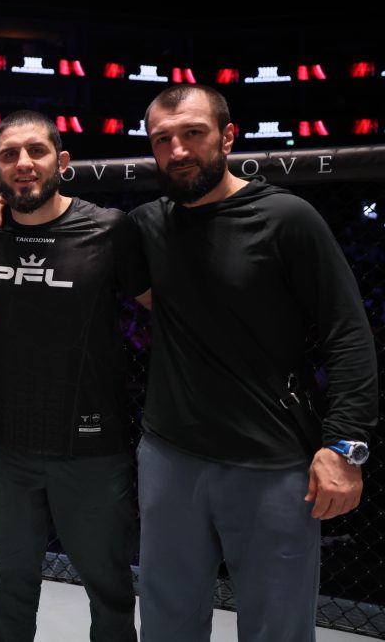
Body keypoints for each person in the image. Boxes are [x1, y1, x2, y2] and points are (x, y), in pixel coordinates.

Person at [130, 84, 378, 641]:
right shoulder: (146, 224)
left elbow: (347, 332)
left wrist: (346, 445)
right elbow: (63, 224)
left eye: (193, 133)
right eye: (162, 139)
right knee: (166, 624)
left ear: (227, 137)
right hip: (170, 453)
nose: (177, 150)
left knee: (277, 629)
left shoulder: (286, 217)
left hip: (271, 460)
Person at [0, 111, 148, 642]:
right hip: (13, 443)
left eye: (37, 151)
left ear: (62, 161)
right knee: (12, 581)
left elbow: (160, 308)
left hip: (93, 443)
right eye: (10, 155)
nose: (24, 163)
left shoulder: (109, 228)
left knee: (108, 582)